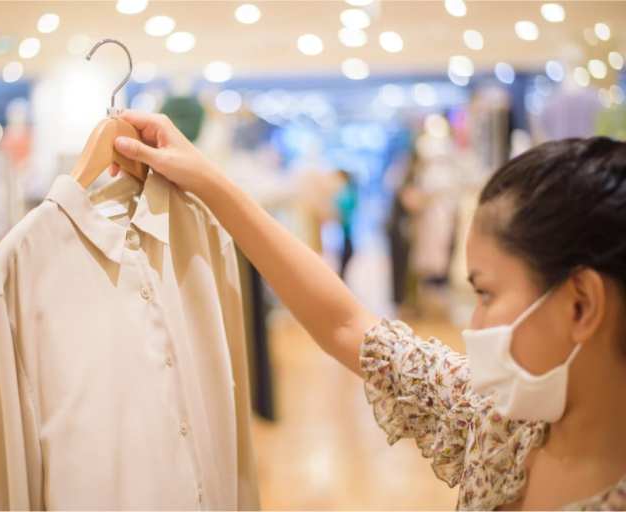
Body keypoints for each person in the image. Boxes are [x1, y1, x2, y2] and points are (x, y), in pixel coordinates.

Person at [108, 110, 626, 510]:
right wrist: (210, 182)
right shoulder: (500, 423)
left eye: (487, 294)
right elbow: (347, 324)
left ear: (580, 304)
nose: (474, 323)